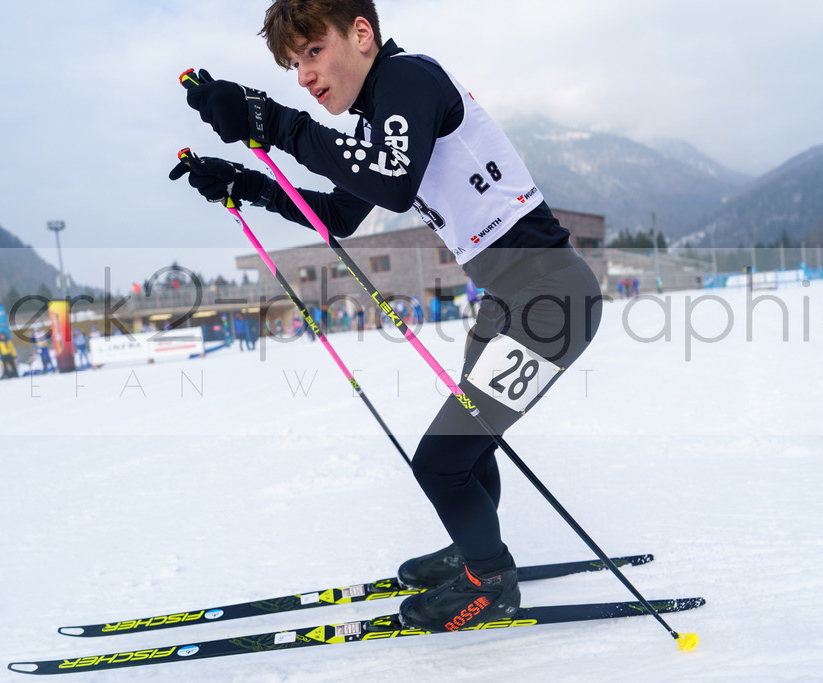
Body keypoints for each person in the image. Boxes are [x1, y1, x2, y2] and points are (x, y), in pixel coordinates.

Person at [169, 0, 602, 633]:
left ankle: (491, 580)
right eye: (293, 65)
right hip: (511, 301)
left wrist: (272, 120)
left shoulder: (408, 81)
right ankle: (472, 545)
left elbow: (393, 183)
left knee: (441, 458)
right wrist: (248, 183)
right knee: (468, 448)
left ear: (362, 34)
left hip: (551, 303)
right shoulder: (384, 116)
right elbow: (344, 214)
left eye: (313, 53)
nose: (305, 77)